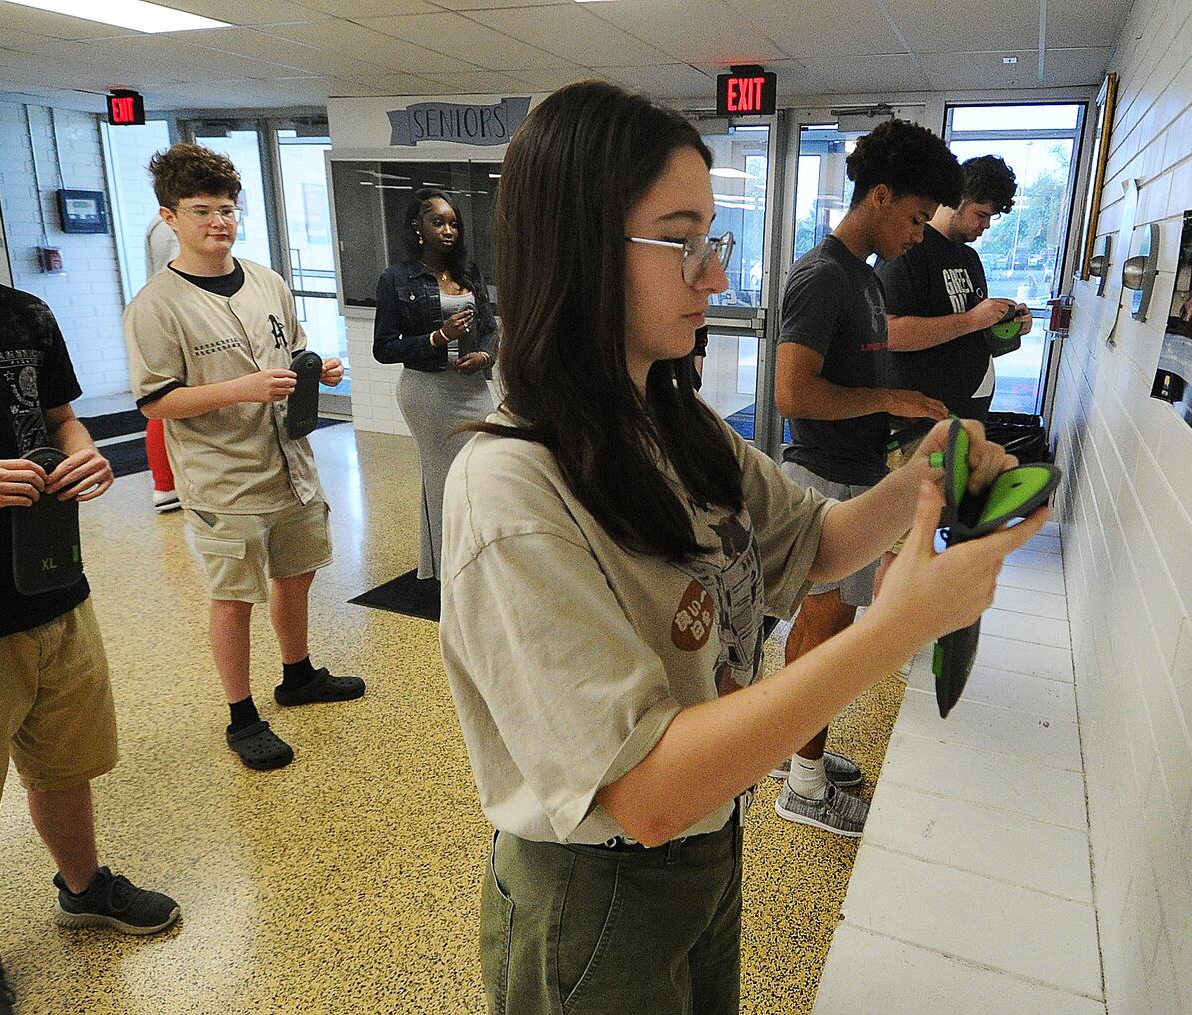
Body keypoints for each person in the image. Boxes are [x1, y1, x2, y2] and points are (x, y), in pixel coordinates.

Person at [439, 80, 1045, 1015]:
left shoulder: (671, 419)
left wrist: (922, 476)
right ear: (581, 248)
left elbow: (813, 541)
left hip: (712, 838)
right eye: (680, 242)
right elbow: (642, 792)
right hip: (598, 891)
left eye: (710, 239)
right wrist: (894, 629)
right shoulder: (512, 490)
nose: (714, 275)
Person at [0, 111, 180, 1015]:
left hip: (51, 590)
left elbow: (62, 416)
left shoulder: (20, 312)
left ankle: (81, 886)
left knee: (64, 763)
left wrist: (87, 452)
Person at [124, 143, 362, 772]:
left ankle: (299, 674)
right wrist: (241, 389)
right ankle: (241, 713)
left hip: (291, 468)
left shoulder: (267, 281)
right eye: (201, 211)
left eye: (227, 210)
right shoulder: (156, 306)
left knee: (297, 573)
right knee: (233, 597)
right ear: (169, 218)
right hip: (224, 479)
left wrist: (317, 371)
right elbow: (156, 402)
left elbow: (294, 351)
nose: (218, 223)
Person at [769, 119, 959, 836]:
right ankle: (805, 785)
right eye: (914, 217)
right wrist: (885, 400)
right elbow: (792, 392)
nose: (919, 234)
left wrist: (898, 415)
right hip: (822, 477)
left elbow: (857, 373)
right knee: (824, 629)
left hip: (852, 470)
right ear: (879, 197)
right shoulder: (824, 276)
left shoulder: (865, 277)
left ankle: (795, 752)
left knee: (827, 625)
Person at [372, 190, 497, 580]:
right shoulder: (395, 279)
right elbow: (384, 348)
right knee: (443, 476)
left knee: (482, 469)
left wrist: (485, 357)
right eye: (438, 222)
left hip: (472, 389)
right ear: (418, 227)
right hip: (428, 393)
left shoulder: (468, 273)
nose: (448, 230)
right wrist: (436, 338)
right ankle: (451, 569)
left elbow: (490, 329)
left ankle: (476, 554)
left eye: (454, 223)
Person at [878, 155, 1030, 427]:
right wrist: (973, 319)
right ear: (956, 199)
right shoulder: (909, 250)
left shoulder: (969, 257)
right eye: (981, 214)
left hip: (965, 414)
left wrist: (1008, 324)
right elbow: (889, 333)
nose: (986, 225)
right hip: (917, 424)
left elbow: (971, 331)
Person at [142, 211, 181, 513]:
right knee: (166, 401)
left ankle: (166, 484)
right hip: (175, 319)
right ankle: (165, 484)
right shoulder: (169, 229)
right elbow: (175, 278)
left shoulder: (160, 227)